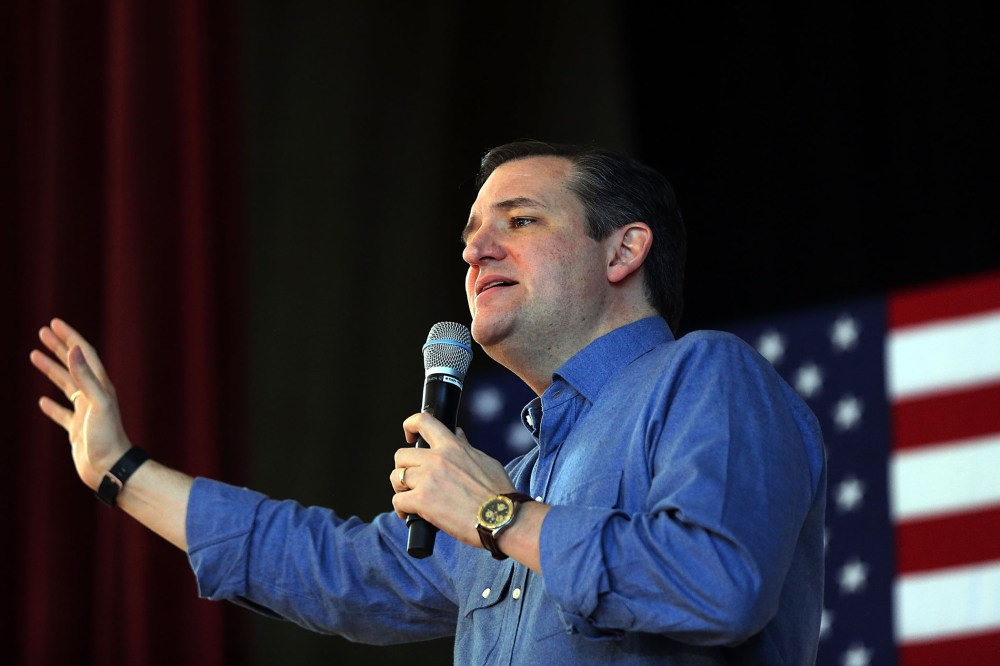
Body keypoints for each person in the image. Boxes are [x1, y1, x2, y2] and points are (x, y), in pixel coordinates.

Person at [30, 140, 827, 664]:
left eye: (520, 221)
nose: (477, 249)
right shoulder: (514, 475)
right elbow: (332, 567)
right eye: (472, 235)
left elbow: (720, 583)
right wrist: (119, 470)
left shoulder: (705, 377)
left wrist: (498, 519)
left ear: (624, 249)